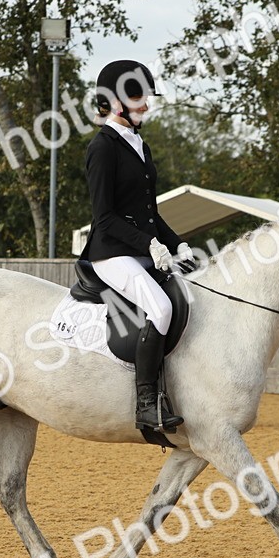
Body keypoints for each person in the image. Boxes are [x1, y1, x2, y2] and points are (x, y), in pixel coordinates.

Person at [81, 59, 192, 433]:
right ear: (114, 102)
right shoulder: (103, 148)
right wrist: (149, 244)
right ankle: (146, 403)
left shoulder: (139, 145)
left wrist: (178, 245)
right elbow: (105, 218)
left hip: (142, 249)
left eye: (146, 95)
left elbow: (149, 213)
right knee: (160, 308)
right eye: (138, 96)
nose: (146, 103)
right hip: (110, 253)